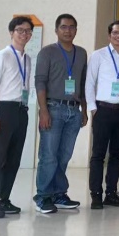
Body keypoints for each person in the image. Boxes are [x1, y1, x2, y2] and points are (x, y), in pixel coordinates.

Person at [33, 14, 88, 214]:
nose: (68, 30)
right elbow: (40, 82)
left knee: (64, 156)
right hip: (53, 108)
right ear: (56, 30)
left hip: (74, 110)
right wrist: (43, 111)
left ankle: (59, 194)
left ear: (76, 30)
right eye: (63, 27)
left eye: (72, 27)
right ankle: (43, 196)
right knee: (49, 156)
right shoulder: (47, 52)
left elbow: (82, 83)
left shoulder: (81, 53)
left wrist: (84, 109)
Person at [0, 16, 34, 219]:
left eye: (28, 31)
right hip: (4, 109)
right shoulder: (1, 56)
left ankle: (4, 199)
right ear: (12, 32)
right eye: (20, 30)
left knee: (13, 158)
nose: (24, 34)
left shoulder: (27, 59)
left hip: (21, 110)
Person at [85, 19, 119, 209]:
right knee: (98, 155)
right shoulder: (98, 55)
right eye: (115, 33)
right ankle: (96, 194)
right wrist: (92, 108)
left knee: (117, 154)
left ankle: (111, 193)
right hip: (103, 110)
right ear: (109, 36)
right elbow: (90, 82)